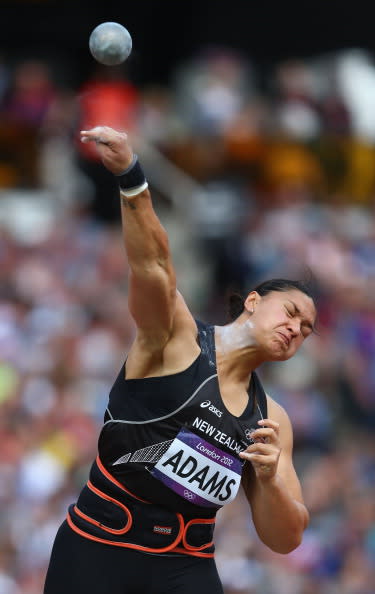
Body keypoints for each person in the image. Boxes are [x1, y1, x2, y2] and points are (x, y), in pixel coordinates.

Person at [43, 126, 316, 594]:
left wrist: (269, 479)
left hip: (184, 568)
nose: (296, 329)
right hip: (98, 549)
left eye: (307, 329)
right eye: (291, 313)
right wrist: (131, 177)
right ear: (252, 301)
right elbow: (153, 266)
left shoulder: (271, 421)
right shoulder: (177, 340)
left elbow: (286, 538)